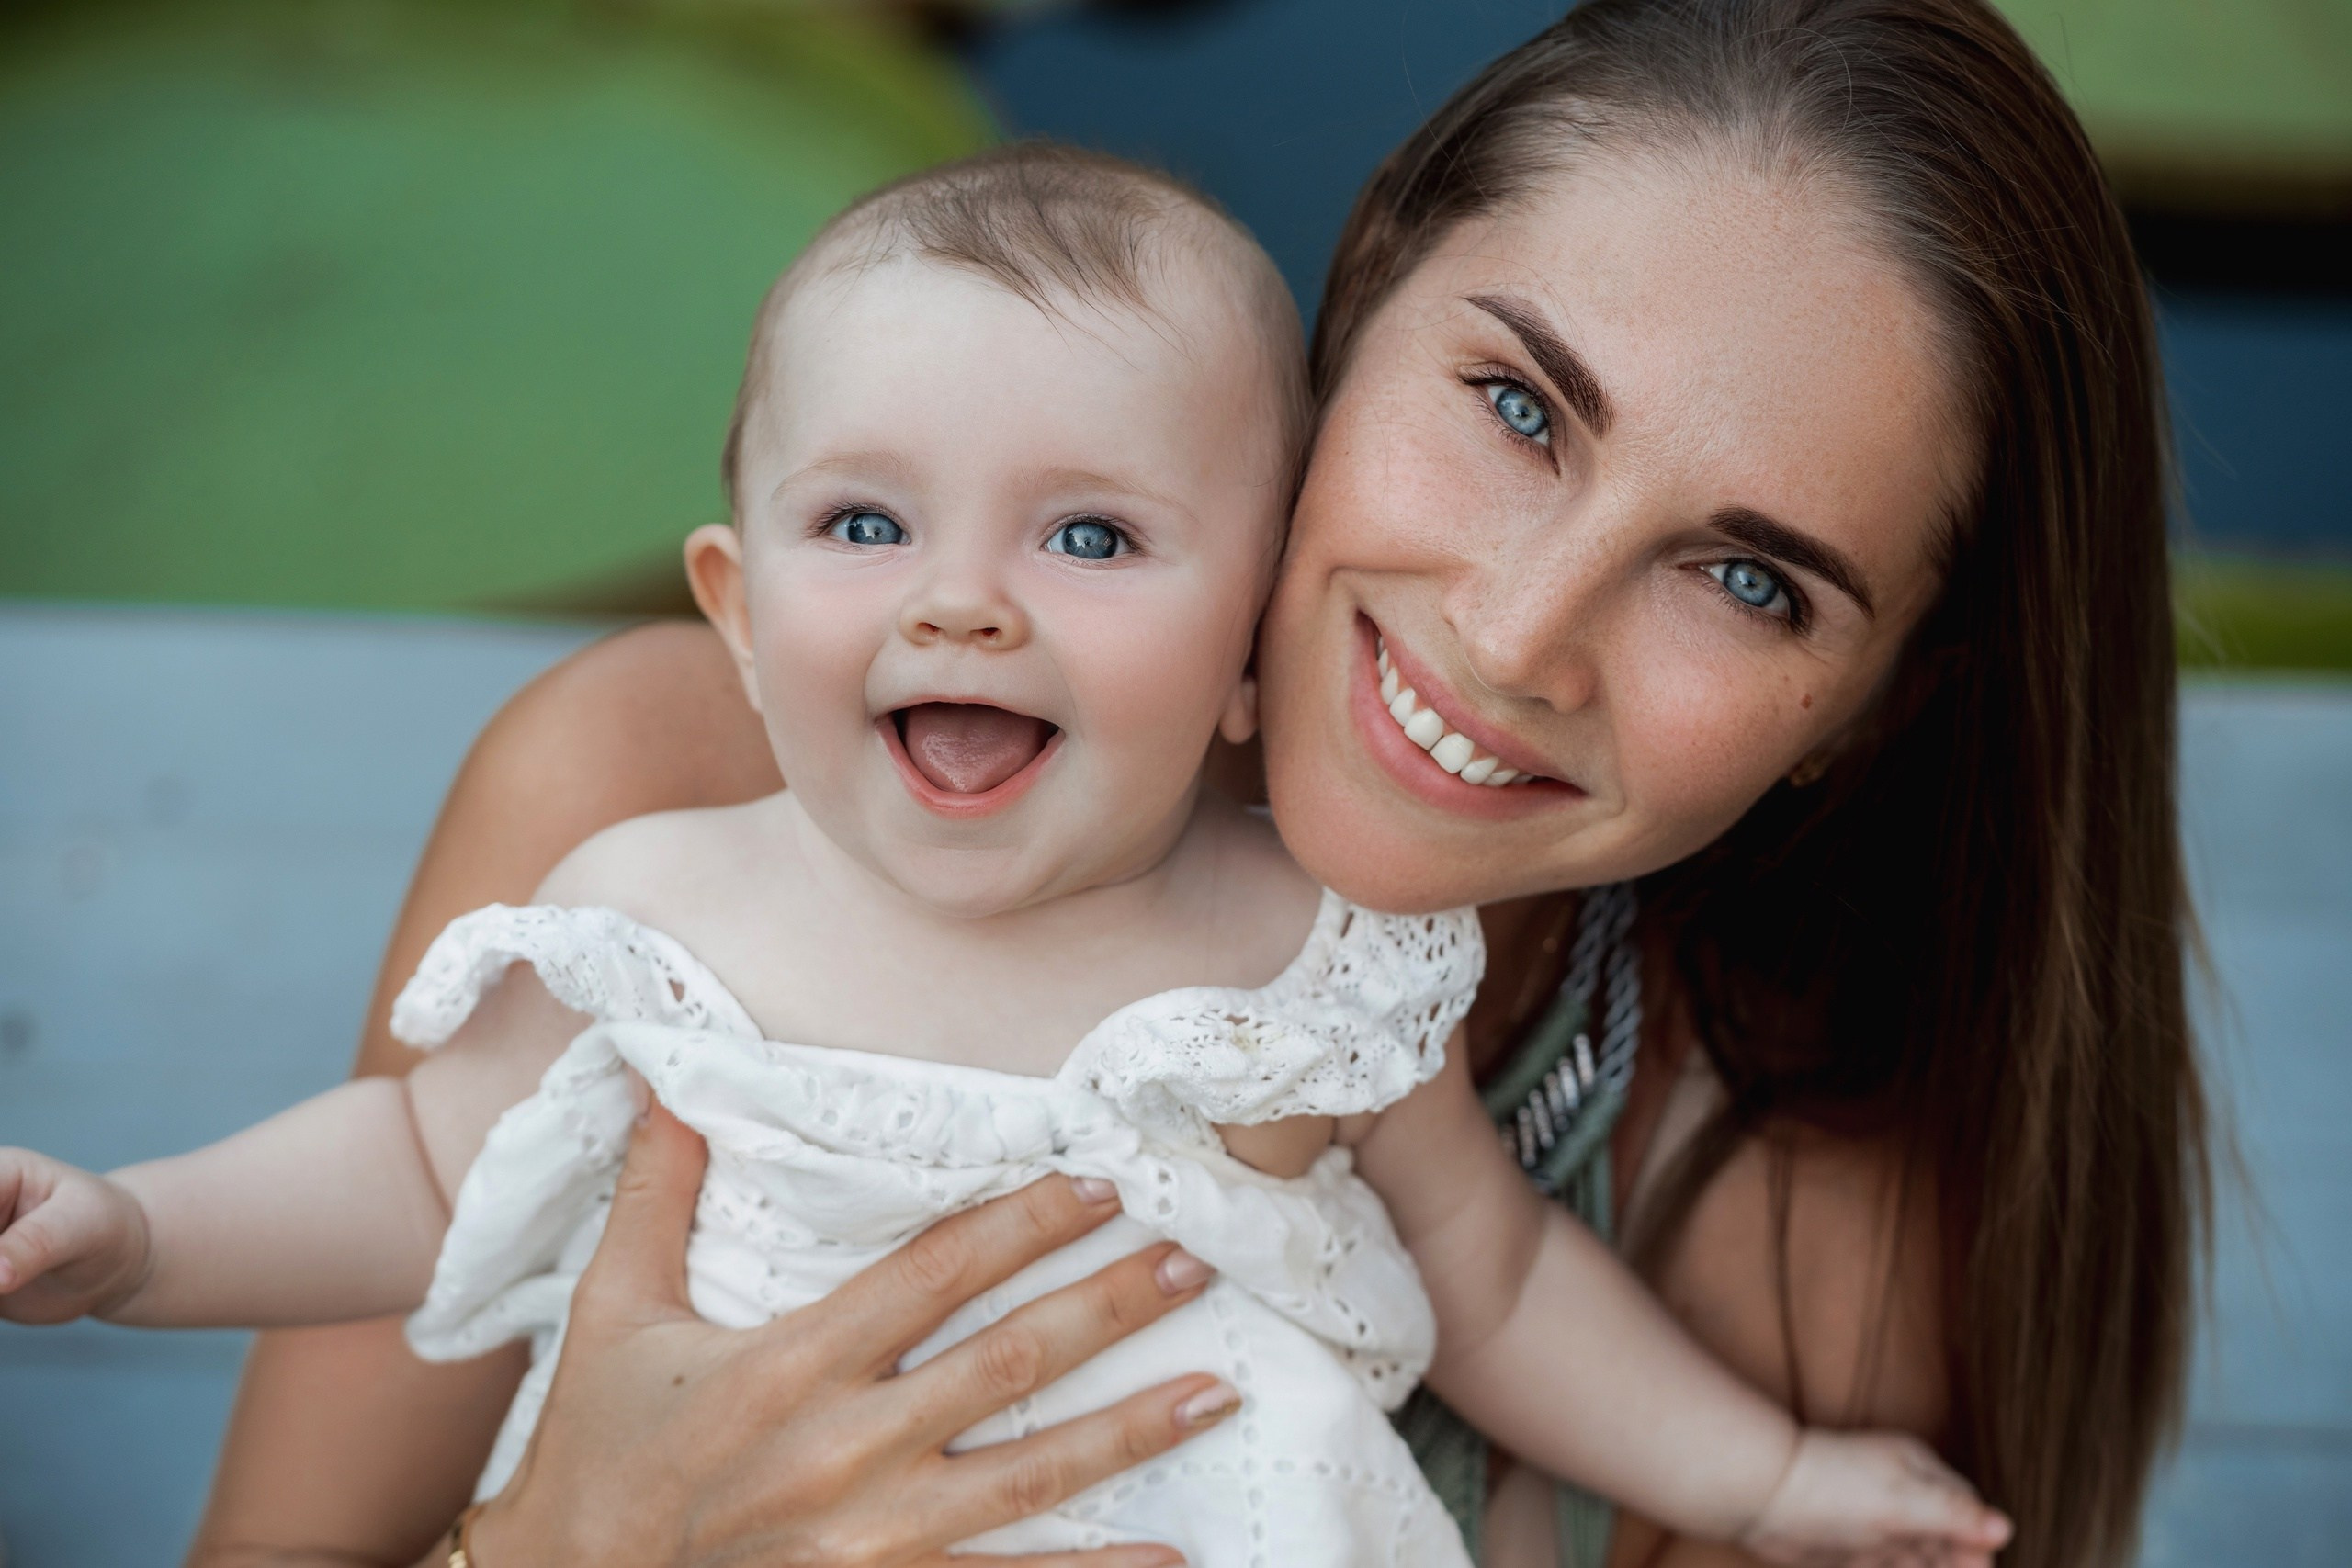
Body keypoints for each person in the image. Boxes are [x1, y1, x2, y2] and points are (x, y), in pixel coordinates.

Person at [162, 1, 2204, 1565]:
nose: (1512, 632)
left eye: (1746, 577)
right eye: (1511, 404)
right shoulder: (659, 809)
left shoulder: (1778, 1237)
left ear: (1866, 701)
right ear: (1364, 291)